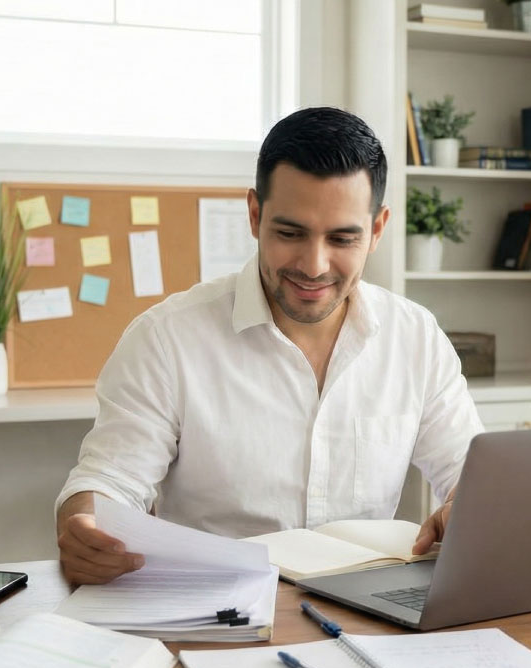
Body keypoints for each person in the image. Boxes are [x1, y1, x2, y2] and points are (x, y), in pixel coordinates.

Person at [55, 106, 483, 585]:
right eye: (290, 233)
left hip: (369, 612)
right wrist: (86, 525)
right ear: (255, 215)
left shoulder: (416, 338)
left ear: (377, 230)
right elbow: (108, 481)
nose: (315, 265)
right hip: (214, 612)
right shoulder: (166, 339)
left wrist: (467, 505)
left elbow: (473, 472)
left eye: (342, 238)